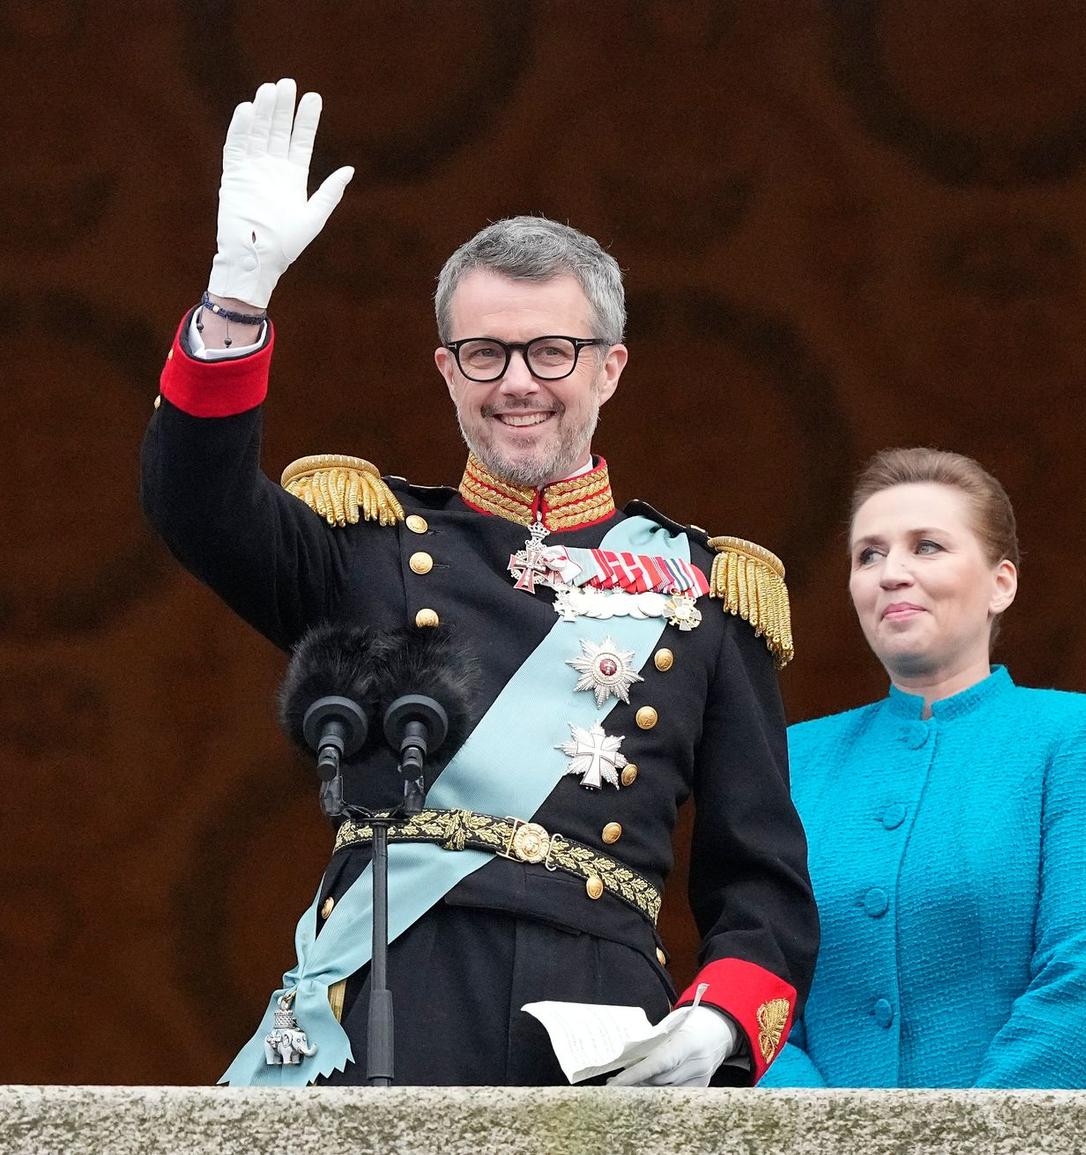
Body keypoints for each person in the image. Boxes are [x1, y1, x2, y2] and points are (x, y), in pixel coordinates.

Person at [141, 79, 817, 1088]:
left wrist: (722, 1020)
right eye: (486, 353)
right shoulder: (365, 545)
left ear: (610, 368)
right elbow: (194, 504)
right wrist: (236, 297)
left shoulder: (709, 594)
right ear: (448, 370)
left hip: (601, 1019)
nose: (518, 382)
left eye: (552, 351)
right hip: (393, 996)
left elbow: (762, 882)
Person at [760, 447, 1086, 1089]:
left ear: (1002, 584)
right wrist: (817, 1132)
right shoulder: (793, 759)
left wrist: (978, 1132)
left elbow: (1078, 974)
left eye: (927, 547)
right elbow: (760, 990)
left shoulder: (1068, 737)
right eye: (868, 555)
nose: (891, 573)